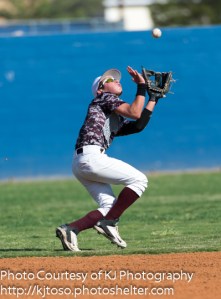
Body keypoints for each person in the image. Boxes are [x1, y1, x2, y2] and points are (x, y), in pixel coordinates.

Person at [56, 66, 159, 251]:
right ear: (100, 89)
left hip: (81, 162)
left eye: (116, 79)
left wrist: (153, 99)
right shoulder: (103, 98)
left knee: (110, 206)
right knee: (140, 180)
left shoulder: (111, 114)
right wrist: (142, 87)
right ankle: (109, 223)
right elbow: (135, 112)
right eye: (109, 80)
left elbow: (137, 125)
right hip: (91, 157)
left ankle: (71, 229)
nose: (116, 80)